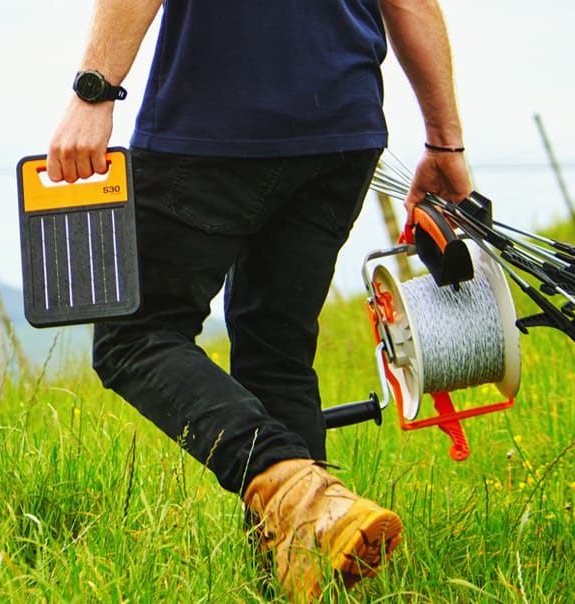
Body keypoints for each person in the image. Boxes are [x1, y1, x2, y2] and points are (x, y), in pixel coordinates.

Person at [45, 0, 473, 599]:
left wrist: (93, 93)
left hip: (215, 121)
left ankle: (296, 491)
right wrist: (445, 143)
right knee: (278, 354)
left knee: (134, 336)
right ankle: (307, 564)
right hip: (343, 127)